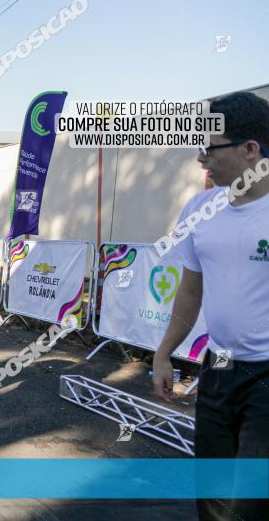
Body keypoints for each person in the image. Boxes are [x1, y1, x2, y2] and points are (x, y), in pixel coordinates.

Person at [152, 92, 269, 521]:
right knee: (212, 495)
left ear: (250, 150)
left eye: (210, 148)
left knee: (251, 505)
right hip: (218, 365)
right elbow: (190, 291)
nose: (202, 158)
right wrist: (164, 353)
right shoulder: (199, 209)